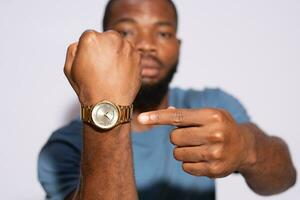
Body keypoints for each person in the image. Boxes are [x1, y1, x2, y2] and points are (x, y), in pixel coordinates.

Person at [38, 0, 297, 199]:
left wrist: (247, 148)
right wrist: (106, 109)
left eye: (162, 33)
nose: (147, 45)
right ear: (105, 47)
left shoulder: (211, 105)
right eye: (127, 32)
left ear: (178, 46)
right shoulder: (64, 147)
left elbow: (284, 178)